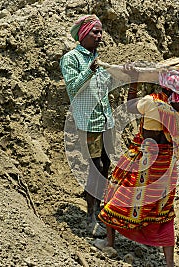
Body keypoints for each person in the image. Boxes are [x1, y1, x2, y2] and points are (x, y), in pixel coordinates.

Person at [94, 66, 179, 267]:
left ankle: (109, 243)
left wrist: (134, 79)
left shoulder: (151, 101)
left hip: (145, 161)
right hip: (166, 164)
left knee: (115, 193)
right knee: (163, 210)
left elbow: (129, 107)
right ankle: (169, 262)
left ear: (161, 85)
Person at [60, 14, 114, 237]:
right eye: (95, 32)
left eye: (101, 32)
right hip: (88, 123)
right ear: (83, 34)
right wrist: (90, 70)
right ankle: (90, 216)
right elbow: (73, 88)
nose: (100, 36)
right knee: (96, 167)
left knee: (107, 165)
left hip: (105, 120)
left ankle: (99, 210)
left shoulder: (97, 58)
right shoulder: (71, 58)